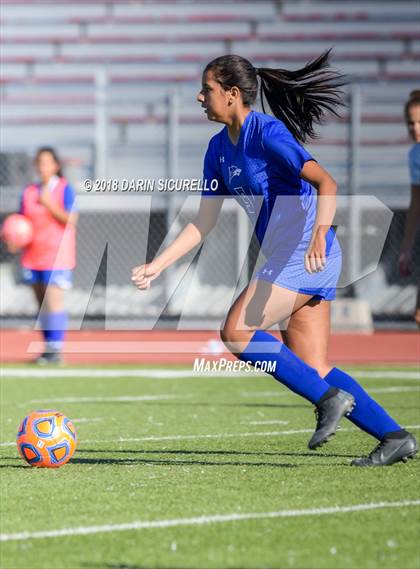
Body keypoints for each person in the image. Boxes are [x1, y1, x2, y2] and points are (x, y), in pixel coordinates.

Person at [132, 52, 417, 466]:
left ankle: (329, 400)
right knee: (313, 366)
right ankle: (394, 436)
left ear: (232, 94)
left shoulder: (266, 133)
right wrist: (159, 264)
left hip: (306, 251)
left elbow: (326, 182)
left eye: (207, 89)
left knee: (236, 330)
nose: (199, 97)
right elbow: (203, 221)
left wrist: (319, 233)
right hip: (296, 256)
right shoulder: (217, 150)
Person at [15, 147, 78, 364]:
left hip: (57, 255)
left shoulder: (64, 189)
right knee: (41, 303)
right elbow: (21, 223)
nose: (42, 167)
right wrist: (13, 238)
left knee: (53, 301)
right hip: (33, 255)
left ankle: (56, 349)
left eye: (46, 162)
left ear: (55, 166)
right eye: (39, 162)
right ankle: (48, 347)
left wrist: (49, 204)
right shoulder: (29, 191)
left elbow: (72, 220)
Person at [398, 90, 420, 327]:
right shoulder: (415, 154)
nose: (415, 128)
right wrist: (406, 248)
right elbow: (416, 203)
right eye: (411, 123)